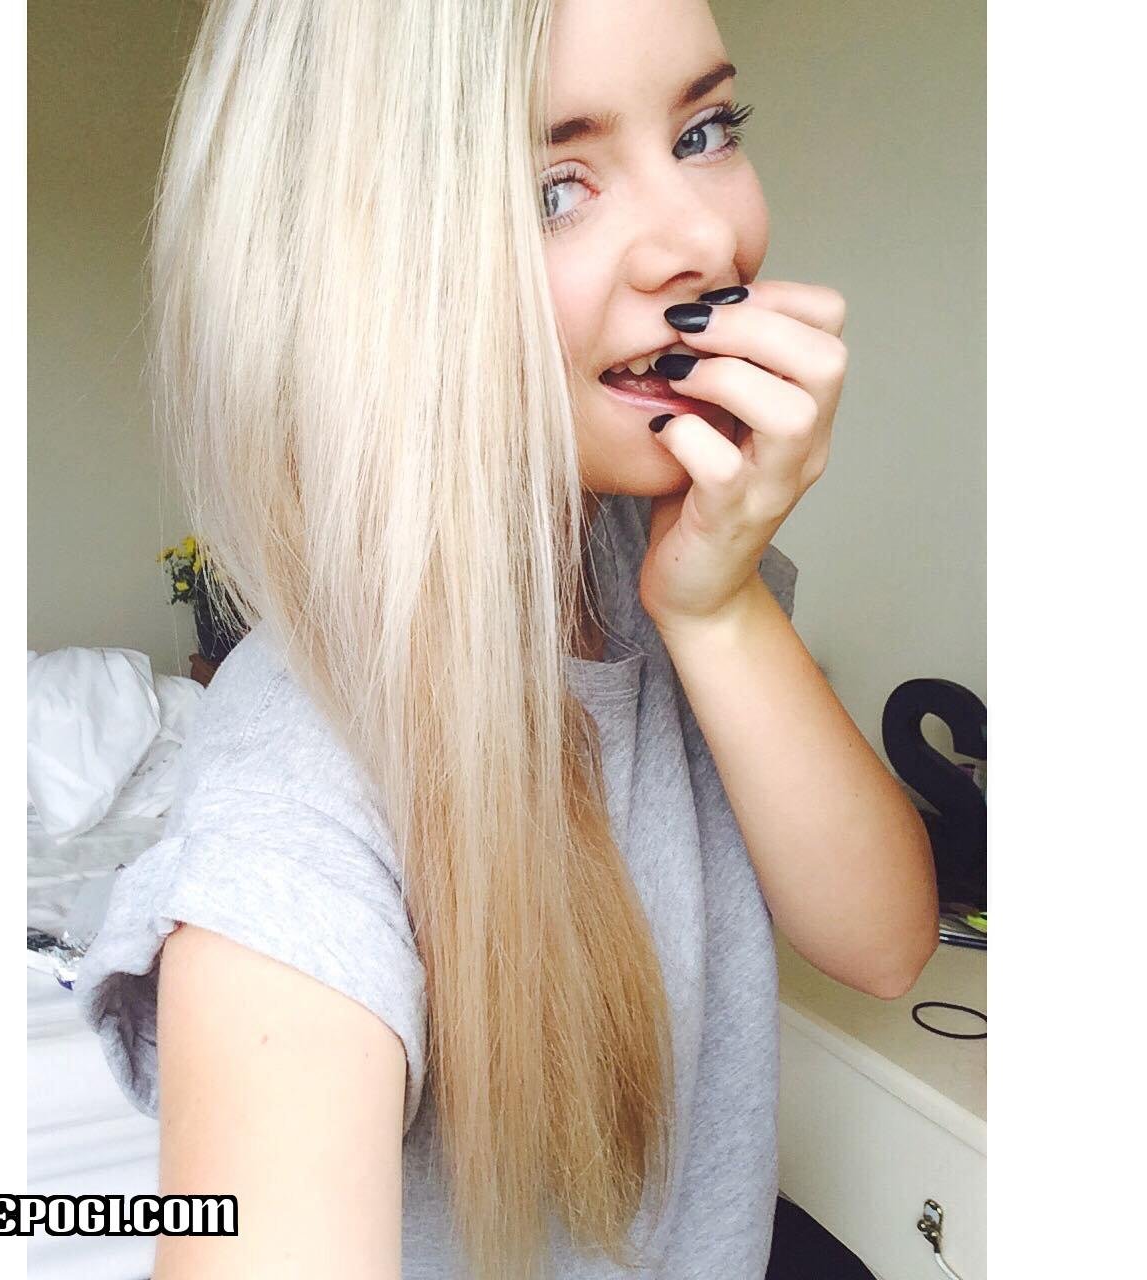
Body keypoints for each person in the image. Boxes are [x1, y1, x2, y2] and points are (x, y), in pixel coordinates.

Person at [75, 0, 940, 1276]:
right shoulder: (298, 785)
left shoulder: (662, 563)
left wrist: (715, 605)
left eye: (704, 130)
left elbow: (882, 943)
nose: (705, 241)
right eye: (552, 190)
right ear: (357, 281)